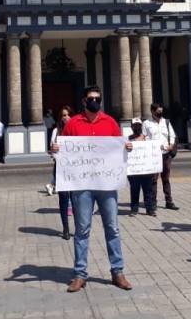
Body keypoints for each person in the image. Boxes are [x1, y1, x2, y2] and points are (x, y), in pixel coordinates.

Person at [52, 85, 133, 293]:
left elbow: (118, 150)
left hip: (107, 185)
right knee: (82, 230)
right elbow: (63, 152)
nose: (94, 101)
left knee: (112, 228)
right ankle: (80, 274)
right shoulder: (73, 124)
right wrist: (56, 150)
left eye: (97, 98)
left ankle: (118, 272)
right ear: (83, 101)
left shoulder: (111, 123)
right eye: (91, 98)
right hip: (82, 186)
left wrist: (127, 148)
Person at [142, 102, 179, 211]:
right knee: (153, 179)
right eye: (158, 111)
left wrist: (171, 144)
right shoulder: (146, 123)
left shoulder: (165, 122)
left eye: (161, 111)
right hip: (154, 155)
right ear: (152, 112)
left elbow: (172, 135)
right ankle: (153, 201)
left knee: (166, 178)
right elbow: (144, 137)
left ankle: (169, 201)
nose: (160, 113)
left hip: (165, 154)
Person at [48, 105, 75, 238]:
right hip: (60, 167)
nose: (66, 117)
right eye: (63, 115)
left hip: (76, 169)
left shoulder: (77, 129)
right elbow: (52, 148)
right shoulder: (56, 131)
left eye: (68, 114)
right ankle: (65, 228)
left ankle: (79, 227)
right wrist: (54, 148)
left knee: (76, 199)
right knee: (64, 198)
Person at [128, 117, 155, 217]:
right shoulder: (128, 139)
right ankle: (134, 209)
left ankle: (150, 209)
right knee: (134, 190)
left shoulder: (147, 139)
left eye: (139, 126)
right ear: (131, 127)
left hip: (146, 170)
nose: (137, 128)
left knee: (148, 190)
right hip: (134, 171)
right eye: (135, 126)